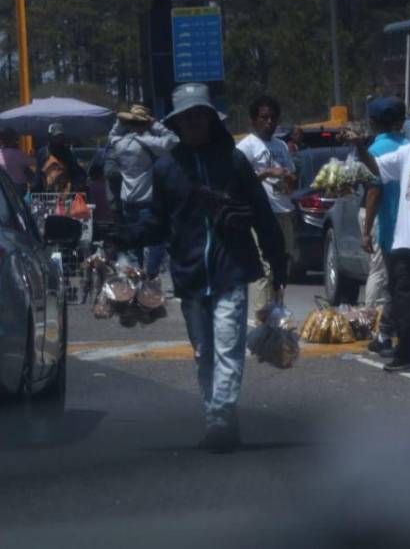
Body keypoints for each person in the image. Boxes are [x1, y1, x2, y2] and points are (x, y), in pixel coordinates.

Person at [112, 83, 288, 453]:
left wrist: (278, 260)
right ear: (178, 125)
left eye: (200, 117)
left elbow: (261, 214)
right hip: (190, 275)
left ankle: (220, 417)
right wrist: (123, 237)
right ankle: (218, 416)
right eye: (187, 119)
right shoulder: (166, 168)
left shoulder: (234, 162)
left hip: (231, 270)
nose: (194, 124)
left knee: (227, 345)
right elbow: (158, 223)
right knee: (202, 351)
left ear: (210, 121)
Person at [350, 108, 410, 373]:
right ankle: (408, 355)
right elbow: (376, 168)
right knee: (405, 301)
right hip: (408, 242)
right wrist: (360, 148)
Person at [235, 96, 297, 316]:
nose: (269, 122)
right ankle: (261, 318)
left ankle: (277, 311)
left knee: (283, 265)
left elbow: (291, 180)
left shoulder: (280, 145)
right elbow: (238, 183)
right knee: (265, 267)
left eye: (273, 117)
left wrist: (289, 179)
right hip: (261, 215)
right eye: (264, 118)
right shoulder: (246, 147)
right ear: (254, 120)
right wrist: (267, 172)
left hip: (283, 210)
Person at [358, 97, 408, 355]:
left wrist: (366, 230)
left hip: (387, 225)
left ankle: (380, 330)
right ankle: (392, 330)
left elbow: (374, 192)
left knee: (388, 281)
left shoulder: (374, 152)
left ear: (373, 122)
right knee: (404, 285)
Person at [107, 104, 179, 278]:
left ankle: (134, 278)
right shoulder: (149, 142)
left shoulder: (120, 143)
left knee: (132, 244)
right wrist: (155, 125)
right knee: (154, 242)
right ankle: (149, 275)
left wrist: (120, 121)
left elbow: (112, 135)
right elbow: (174, 140)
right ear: (145, 122)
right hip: (147, 201)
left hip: (127, 201)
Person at [37, 123, 87, 191]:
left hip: (64, 191)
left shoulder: (66, 152)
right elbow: (38, 173)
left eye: (60, 136)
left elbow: (74, 170)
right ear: (50, 137)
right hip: (47, 192)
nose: (58, 139)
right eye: (56, 137)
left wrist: (80, 179)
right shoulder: (42, 152)